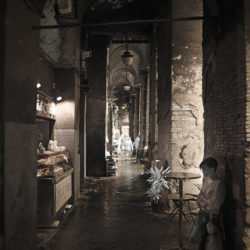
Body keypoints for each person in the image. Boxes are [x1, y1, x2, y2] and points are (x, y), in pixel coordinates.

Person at [190, 157, 225, 250]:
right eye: (203, 170)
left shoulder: (219, 184)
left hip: (212, 218)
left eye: (205, 170)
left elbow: (214, 204)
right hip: (202, 215)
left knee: (211, 244)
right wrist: (205, 201)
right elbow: (199, 198)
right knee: (201, 241)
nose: (203, 172)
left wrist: (203, 202)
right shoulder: (207, 181)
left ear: (213, 169)